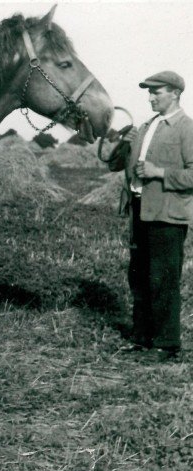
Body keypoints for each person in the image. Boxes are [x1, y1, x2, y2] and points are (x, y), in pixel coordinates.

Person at [109, 70, 193, 360]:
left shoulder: (186, 128)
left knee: (163, 279)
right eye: (149, 91)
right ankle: (142, 338)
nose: (151, 96)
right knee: (140, 277)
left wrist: (160, 173)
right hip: (140, 211)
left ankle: (166, 344)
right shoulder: (144, 127)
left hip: (167, 216)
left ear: (175, 93)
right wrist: (123, 143)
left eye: (157, 91)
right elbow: (115, 165)